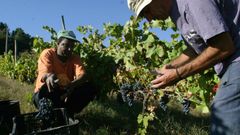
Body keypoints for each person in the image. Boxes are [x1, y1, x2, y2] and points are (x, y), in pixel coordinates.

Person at [127, 0, 240, 134]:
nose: (149, 18)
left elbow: (223, 46)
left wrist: (179, 74)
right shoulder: (176, 13)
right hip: (231, 65)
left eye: (147, 10)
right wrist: (169, 66)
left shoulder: (193, 2)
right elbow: (195, 48)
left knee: (224, 120)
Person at [33, 30, 97, 118]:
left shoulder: (74, 58)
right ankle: (50, 113)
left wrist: (72, 85)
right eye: (66, 45)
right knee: (49, 87)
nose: (69, 49)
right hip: (45, 93)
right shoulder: (48, 54)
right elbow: (44, 73)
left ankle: (68, 112)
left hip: (64, 92)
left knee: (89, 88)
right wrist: (49, 77)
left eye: (72, 46)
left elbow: (83, 75)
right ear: (58, 43)